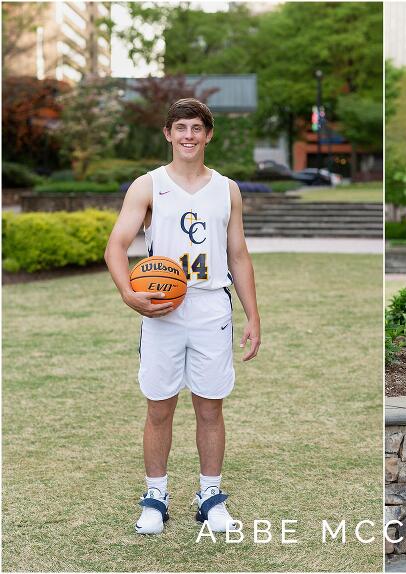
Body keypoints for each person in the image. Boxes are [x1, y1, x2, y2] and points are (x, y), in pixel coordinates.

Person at [104, 98, 261, 534]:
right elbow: (116, 246)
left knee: (210, 407)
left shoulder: (227, 188)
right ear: (168, 134)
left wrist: (253, 315)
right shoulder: (148, 186)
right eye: (181, 128)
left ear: (208, 135)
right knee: (160, 406)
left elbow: (238, 253)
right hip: (162, 307)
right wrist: (127, 294)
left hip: (212, 305)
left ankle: (210, 495)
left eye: (196, 128)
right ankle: (155, 496)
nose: (188, 136)